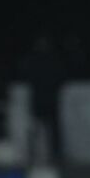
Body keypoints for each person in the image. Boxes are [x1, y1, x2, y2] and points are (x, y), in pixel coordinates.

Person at [21, 35, 65, 165]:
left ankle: (54, 154)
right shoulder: (35, 59)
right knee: (38, 128)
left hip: (47, 99)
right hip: (42, 99)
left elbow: (60, 77)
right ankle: (36, 153)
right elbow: (27, 76)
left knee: (51, 129)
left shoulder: (52, 59)